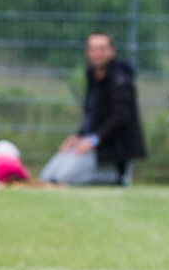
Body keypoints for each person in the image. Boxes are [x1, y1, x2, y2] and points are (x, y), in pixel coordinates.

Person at [39, 31, 146, 186]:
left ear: (112, 50)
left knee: (64, 178)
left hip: (112, 151)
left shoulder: (120, 77)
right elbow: (92, 116)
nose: (98, 54)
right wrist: (78, 136)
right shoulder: (92, 76)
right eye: (93, 49)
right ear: (87, 52)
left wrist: (94, 140)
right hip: (93, 145)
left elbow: (121, 116)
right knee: (47, 176)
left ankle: (118, 176)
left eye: (102, 49)